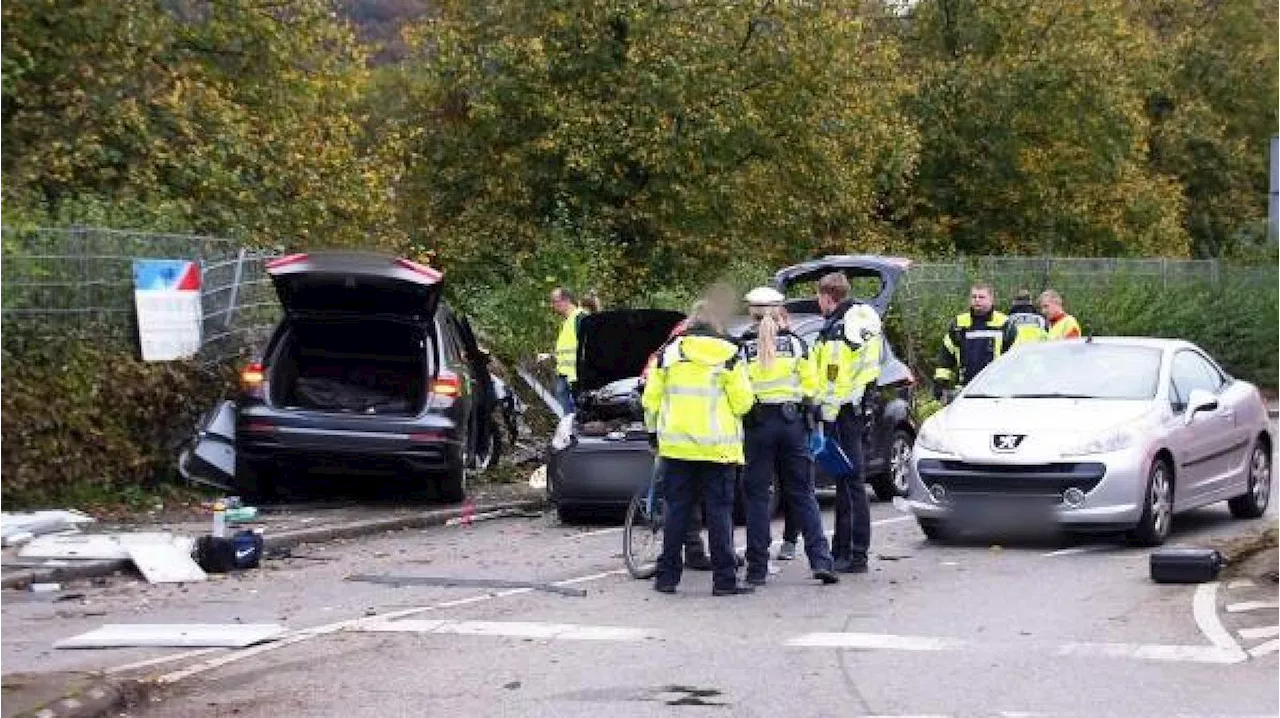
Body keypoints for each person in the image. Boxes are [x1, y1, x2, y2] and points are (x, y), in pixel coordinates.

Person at [642, 300, 757, 596]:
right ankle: (724, 581)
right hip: (718, 450)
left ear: (691, 322)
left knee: (676, 513)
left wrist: (654, 433)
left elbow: (650, 399)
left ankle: (667, 578)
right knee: (719, 516)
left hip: (677, 448)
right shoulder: (730, 354)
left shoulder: (669, 353)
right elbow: (744, 402)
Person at [738, 286, 838, 586]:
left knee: (757, 497)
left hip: (757, 425)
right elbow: (812, 387)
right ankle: (821, 561)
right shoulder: (796, 345)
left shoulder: (742, 349)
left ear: (751, 313)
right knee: (802, 493)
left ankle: (756, 569)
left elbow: (739, 393)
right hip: (793, 423)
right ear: (781, 310)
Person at [813, 273, 882, 574]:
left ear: (828, 297)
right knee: (847, 481)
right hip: (855, 409)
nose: (818, 303)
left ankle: (854, 553)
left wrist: (822, 413)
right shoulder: (861, 320)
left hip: (842, 412)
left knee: (851, 482)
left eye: (819, 297)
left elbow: (833, 379)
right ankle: (845, 549)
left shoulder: (839, 330)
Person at [933, 283, 1018, 399]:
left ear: (991, 299)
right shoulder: (959, 323)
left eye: (981, 297)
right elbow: (945, 356)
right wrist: (940, 382)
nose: (977, 300)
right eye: (974, 297)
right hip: (964, 389)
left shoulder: (1005, 324)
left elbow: (1015, 358)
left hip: (996, 390)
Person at [545, 287, 588, 414]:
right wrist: (550, 355)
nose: (553, 305)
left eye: (555, 301)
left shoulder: (580, 319)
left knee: (576, 412)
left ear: (566, 300)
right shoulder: (568, 321)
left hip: (575, 376)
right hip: (565, 374)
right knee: (567, 410)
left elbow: (587, 347)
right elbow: (568, 349)